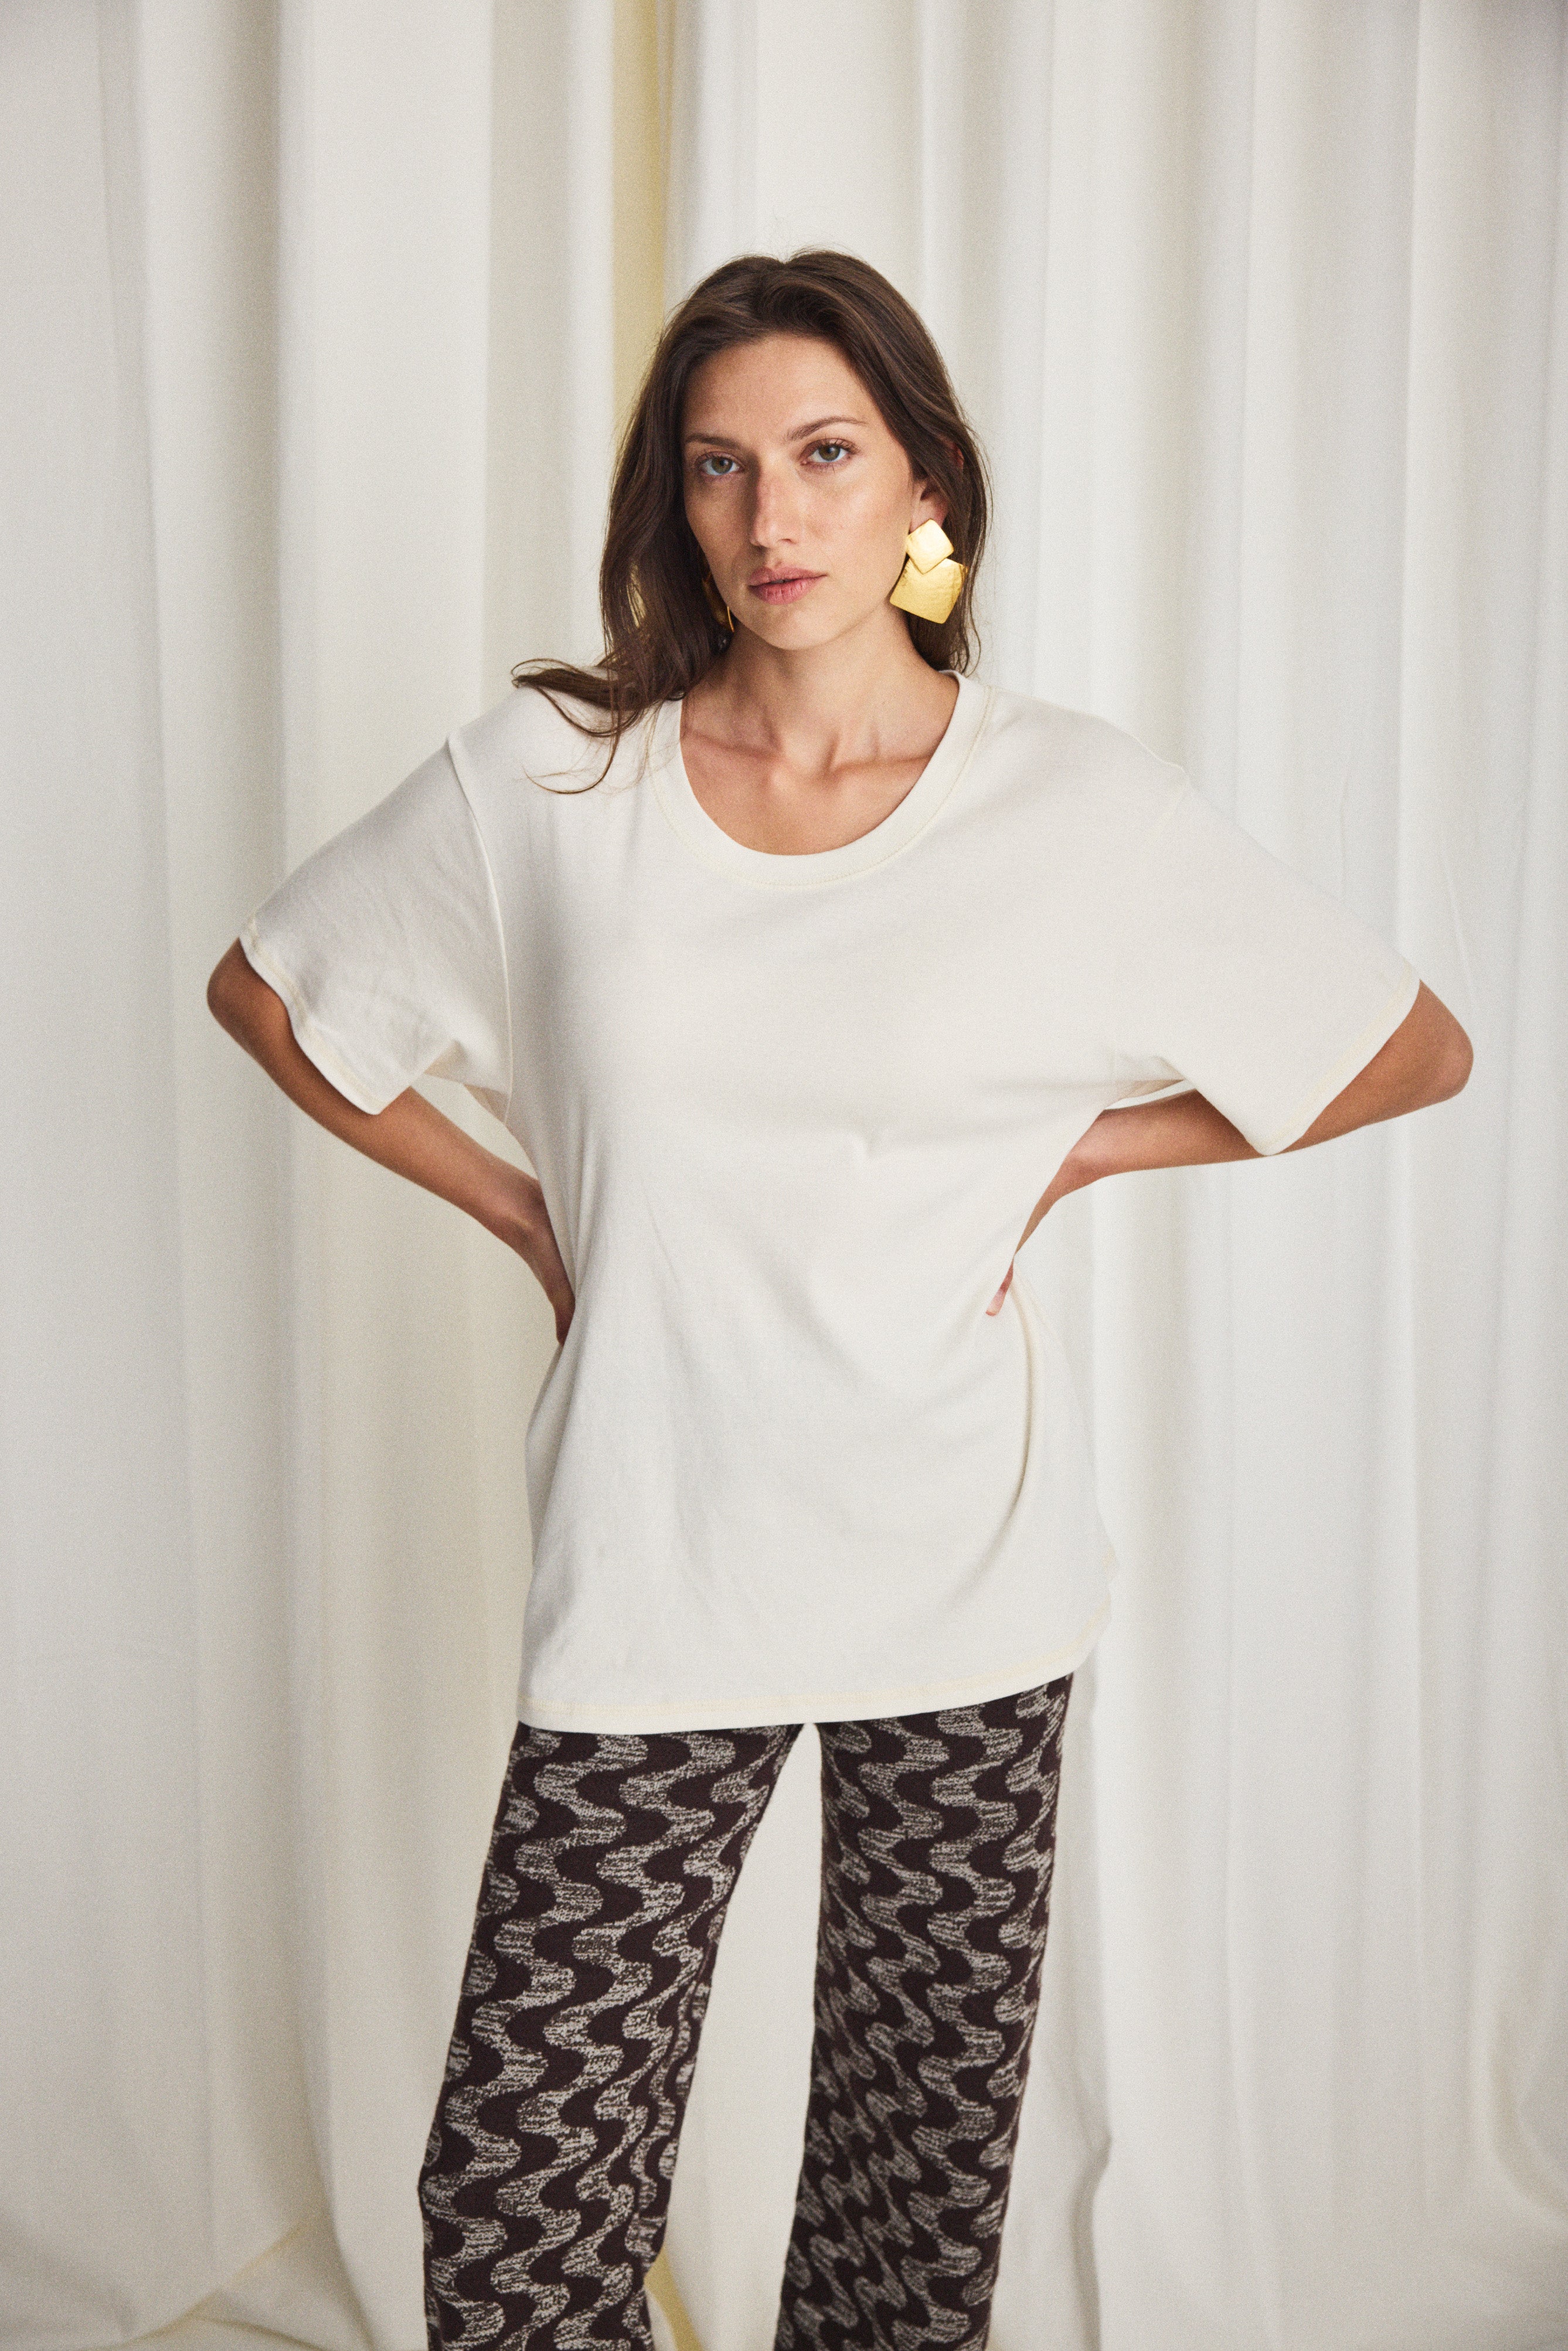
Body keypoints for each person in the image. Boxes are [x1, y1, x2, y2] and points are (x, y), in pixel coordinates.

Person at [207, 249, 1472, 2350]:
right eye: (717, 466)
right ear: (672, 498)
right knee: (514, 2209)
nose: (769, 516)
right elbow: (276, 994)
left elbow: (1405, 1046)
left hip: (964, 1578)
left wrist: (1081, 1147)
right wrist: (533, 1212)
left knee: (908, 2216)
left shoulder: (1070, 803)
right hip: (657, 1566)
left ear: (922, 486)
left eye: (821, 454)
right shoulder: (554, 781)